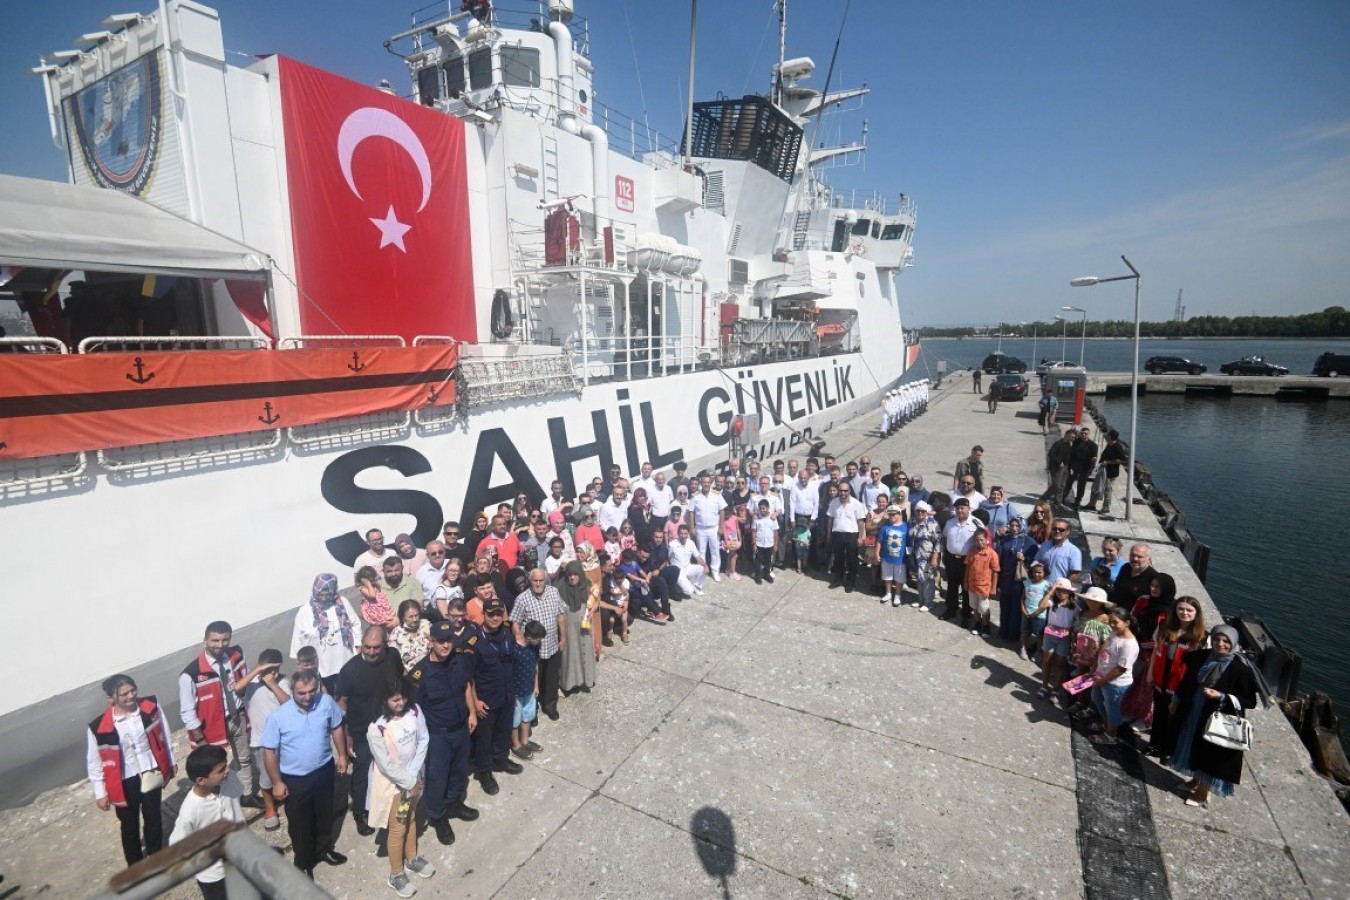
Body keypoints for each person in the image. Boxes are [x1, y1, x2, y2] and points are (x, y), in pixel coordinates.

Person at [260, 669, 349, 877]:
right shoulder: (278, 717)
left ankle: (324, 849)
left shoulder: (325, 702)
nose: (308, 697)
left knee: (324, 814)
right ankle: (303, 862)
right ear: (292, 691)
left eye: (311, 691)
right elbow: (269, 752)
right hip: (295, 779)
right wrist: (276, 783)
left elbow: (336, 726)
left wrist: (342, 755)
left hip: (324, 771)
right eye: (302, 693)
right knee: (300, 823)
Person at [87, 674, 177, 866]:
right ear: (111, 698)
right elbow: (94, 762)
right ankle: (135, 866)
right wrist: (100, 793)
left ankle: (156, 854)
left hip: (150, 770)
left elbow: (165, 733)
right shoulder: (97, 727)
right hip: (123, 780)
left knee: (153, 817)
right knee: (129, 825)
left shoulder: (150, 706)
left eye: (133, 690)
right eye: (124, 694)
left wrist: (171, 760)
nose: (131, 696)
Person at [1167, 624, 1260, 807]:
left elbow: (1250, 701)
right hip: (1195, 709)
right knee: (1192, 744)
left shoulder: (1240, 669)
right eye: (1217, 639)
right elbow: (1187, 681)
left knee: (1209, 752)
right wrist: (1176, 700)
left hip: (1217, 715)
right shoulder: (1203, 657)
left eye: (1226, 641)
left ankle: (1203, 793)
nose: (1220, 644)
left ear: (1233, 643)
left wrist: (1222, 696)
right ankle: (1195, 781)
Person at [407, 619, 478, 847]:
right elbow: (413, 712)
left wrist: (473, 713)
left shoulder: (459, 659)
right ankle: (438, 817)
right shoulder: (420, 674)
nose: (446, 646)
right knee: (437, 779)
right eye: (440, 641)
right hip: (437, 736)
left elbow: (467, 686)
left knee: (459, 772)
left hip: (461, 729)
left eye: (448, 640)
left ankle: (455, 803)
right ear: (431, 642)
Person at [179, 620, 262, 806]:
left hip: (237, 717)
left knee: (244, 758)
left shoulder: (236, 656)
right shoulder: (191, 674)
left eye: (225, 640)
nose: (220, 645)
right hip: (212, 727)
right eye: (215, 640)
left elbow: (245, 679)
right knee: (212, 769)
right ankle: (217, 802)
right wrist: (201, 741)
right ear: (205, 640)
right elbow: (187, 712)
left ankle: (247, 795)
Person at [367, 682, 434, 898]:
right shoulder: (377, 729)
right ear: (384, 701)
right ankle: (396, 873)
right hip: (396, 788)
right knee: (397, 828)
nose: (401, 702)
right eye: (395, 699)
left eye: (403, 697)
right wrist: (408, 782)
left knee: (412, 818)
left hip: (415, 779)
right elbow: (386, 765)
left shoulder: (415, 711)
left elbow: (424, 739)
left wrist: (414, 775)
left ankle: (412, 858)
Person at [337, 625, 406, 837]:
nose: (372, 652)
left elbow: (402, 677)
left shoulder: (392, 655)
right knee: (362, 775)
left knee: (395, 766)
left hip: (391, 724)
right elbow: (341, 704)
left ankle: (392, 804)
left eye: (376, 647)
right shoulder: (349, 670)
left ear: (385, 645)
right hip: (363, 732)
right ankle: (360, 813)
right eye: (367, 647)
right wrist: (346, 736)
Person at [168, 746, 246, 900]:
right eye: (221, 770)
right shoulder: (191, 809)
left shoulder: (231, 780)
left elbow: (237, 799)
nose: (227, 771)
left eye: (226, 765)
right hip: (215, 875)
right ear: (201, 780)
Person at [470, 598, 525, 796]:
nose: (495, 618)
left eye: (498, 614)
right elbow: (470, 676)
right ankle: (484, 771)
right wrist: (475, 702)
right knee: (484, 738)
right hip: (486, 698)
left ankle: (501, 758)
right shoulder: (474, 641)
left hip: (507, 693)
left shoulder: (507, 632)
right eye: (491, 614)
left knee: (503, 730)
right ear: (483, 615)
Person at [1148, 596, 1207, 760]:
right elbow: (1156, 651)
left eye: (1189, 610)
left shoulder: (1202, 638)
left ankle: (1168, 751)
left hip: (1182, 683)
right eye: (1181, 609)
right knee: (1159, 714)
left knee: (1175, 718)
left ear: (1196, 613)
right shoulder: (1164, 627)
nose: (1184, 613)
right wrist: (1150, 673)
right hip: (1161, 676)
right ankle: (1154, 745)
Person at [512, 569, 568, 720]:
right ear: (530, 581)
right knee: (532, 679)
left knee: (551, 678)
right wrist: (520, 642)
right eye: (535, 580)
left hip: (551, 645)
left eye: (541, 580)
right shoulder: (522, 599)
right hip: (532, 649)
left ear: (545, 580)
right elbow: (515, 623)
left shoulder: (554, 592)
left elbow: (561, 616)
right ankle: (533, 711)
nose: (538, 583)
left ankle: (550, 706)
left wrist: (563, 638)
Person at [243, 649, 289, 832]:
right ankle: (270, 809)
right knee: (266, 778)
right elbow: (236, 688)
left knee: (285, 771)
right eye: (269, 670)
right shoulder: (251, 684)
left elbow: (288, 703)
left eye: (276, 669)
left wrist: (273, 684)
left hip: (284, 738)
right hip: (261, 741)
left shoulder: (283, 681)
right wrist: (257, 672)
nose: (273, 673)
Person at [291, 574, 360, 693]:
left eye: (327, 594)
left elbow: (355, 623)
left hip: (346, 661)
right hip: (321, 668)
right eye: (320, 594)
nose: (323, 598)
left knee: (351, 696)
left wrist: (358, 645)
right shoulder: (304, 612)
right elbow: (298, 642)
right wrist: (302, 666)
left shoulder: (342, 602)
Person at [1087, 609, 1139, 746]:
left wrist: (1102, 680)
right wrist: (1095, 665)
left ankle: (1110, 735)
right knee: (1097, 699)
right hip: (1101, 676)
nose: (1112, 625)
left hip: (1115, 683)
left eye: (1115, 622)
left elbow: (1121, 669)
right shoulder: (1115, 632)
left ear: (1127, 623)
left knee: (1112, 709)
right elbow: (1105, 645)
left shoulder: (1129, 645)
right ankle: (1106, 725)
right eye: (1110, 622)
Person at [995, 517, 1039, 642]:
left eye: (1017, 526)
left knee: (1016, 608)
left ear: (1022, 526)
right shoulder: (1006, 538)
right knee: (1004, 606)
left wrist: (1025, 558)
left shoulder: (1029, 541)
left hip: (1019, 580)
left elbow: (1035, 562)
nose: (1014, 528)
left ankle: (1013, 634)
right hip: (1006, 578)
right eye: (1012, 525)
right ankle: (1003, 630)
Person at [557, 560, 598, 692]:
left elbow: (597, 597)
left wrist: (596, 605)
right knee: (570, 656)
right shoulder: (559, 588)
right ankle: (569, 684)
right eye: (570, 574)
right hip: (568, 631)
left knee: (585, 653)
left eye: (575, 574)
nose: (572, 577)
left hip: (584, 630)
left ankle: (585, 681)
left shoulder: (587, 585)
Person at [1037, 579, 1078, 704]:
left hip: (1064, 637)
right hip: (1050, 635)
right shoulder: (1052, 602)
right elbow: (1041, 605)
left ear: (1070, 592)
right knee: (1047, 661)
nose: (1061, 593)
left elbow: (1076, 623)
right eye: (1059, 590)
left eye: (1064, 591)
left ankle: (1056, 690)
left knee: (1060, 664)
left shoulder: (1075, 607)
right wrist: (1051, 591)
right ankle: (1044, 686)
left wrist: (1070, 631)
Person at [512, 621, 547, 760]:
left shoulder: (534, 647)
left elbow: (535, 666)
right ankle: (516, 745)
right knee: (514, 720)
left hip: (530, 689)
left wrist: (536, 685)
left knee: (527, 715)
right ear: (529, 637)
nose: (540, 641)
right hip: (516, 692)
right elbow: (508, 673)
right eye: (538, 638)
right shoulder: (514, 649)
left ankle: (525, 740)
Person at [941, 497, 979, 619]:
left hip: (967, 561)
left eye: (962, 508)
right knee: (952, 586)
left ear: (969, 509)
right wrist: (945, 555)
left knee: (966, 588)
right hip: (951, 559)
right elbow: (945, 538)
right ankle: (951, 610)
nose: (960, 510)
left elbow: (983, 541)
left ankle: (966, 614)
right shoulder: (950, 522)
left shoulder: (976, 524)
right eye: (957, 508)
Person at [963, 527, 1000, 635]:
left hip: (984, 586)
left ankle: (986, 626)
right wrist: (965, 581)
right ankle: (977, 623)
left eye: (981, 540)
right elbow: (968, 567)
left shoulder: (992, 554)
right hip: (972, 584)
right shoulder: (972, 551)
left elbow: (995, 571)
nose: (979, 542)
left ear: (987, 540)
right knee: (974, 606)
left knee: (984, 608)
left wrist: (993, 588)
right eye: (977, 540)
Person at [691, 475, 728, 581]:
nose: (706, 484)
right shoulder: (695, 496)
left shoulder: (716, 495)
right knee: (701, 551)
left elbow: (722, 511)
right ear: (701, 484)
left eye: (708, 482)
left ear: (710, 483)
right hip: (700, 528)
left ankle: (715, 571)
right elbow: (691, 512)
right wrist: (692, 527)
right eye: (704, 482)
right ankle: (702, 570)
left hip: (713, 528)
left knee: (715, 550)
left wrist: (721, 526)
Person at [907, 501, 941, 610]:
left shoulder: (933, 523)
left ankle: (928, 602)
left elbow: (938, 541)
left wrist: (935, 557)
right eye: (918, 510)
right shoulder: (912, 521)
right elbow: (909, 538)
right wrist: (909, 553)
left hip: (928, 555)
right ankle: (921, 600)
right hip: (915, 554)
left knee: (927, 578)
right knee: (919, 577)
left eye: (923, 511)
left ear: (927, 512)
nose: (920, 513)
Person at [877, 505, 909, 608]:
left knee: (899, 578)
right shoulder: (885, 527)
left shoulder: (906, 526)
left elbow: (909, 541)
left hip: (900, 558)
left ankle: (898, 595)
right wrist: (877, 553)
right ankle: (888, 593)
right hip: (886, 556)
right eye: (890, 514)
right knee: (887, 576)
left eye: (894, 514)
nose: (891, 516)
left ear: (899, 514)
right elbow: (879, 541)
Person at [1019, 561, 1052, 661]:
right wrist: (1023, 609)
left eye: (1039, 572)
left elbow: (1047, 601)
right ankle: (1023, 648)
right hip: (1027, 613)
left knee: (1039, 635)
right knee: (1025, 631)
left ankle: (1038, 652)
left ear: (1045, 573)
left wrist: (1036, 612)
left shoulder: (1047, 585)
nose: (1037, 574)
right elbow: (1022, 598)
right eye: (1034, 572)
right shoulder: (1027, 583)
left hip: (1039, 614)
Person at [1090, 429, 1128, 515]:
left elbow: (1123, 460)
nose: (1106, 436)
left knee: (1107, 490)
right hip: (1103, 470)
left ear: (1111, 437)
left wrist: (1109, 462)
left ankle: (1106, 508)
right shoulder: (1109, 444)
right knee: (1097, 487)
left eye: (1108, 435)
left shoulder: (1117, 447)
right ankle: (1092, 504)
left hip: (1111, 473)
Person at [1111, 544, 1157, 609]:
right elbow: (1117, 588)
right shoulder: (1126, 567)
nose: (1135, 559)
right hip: (1114, 610)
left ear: (1148, 559)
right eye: (1132, 555)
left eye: (1139, 557)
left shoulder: (1153, 577)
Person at [668, 523, 709, 596]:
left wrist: (705, 566)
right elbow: (667, 558)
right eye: (681, 533)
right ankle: (677, 585)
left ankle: (697, 586)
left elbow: (698, 557)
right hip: (678, 571)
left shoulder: (691, 543)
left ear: (688, 534)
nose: (683, 536)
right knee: (689, 591)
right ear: (678, 533)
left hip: (687, 568)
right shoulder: (672, 544)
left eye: (685, 534)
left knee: (703, 568)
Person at [390, 600, 433, 669]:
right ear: (403, 618)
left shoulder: (426, 625)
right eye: (411, 617)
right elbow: (392, 657)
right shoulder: (396, 633)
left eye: (417, 615)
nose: (415, 619)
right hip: (409, 673)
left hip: (431, 668)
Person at [1067, 426, 1099, 508]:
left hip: (1085, 468)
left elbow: (1094, 458)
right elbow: (1071, 454)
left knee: (1081, 485)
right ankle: (1063, 497)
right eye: (1082, 433)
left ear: (1089, 434)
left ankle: (1077, 500)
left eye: (1085, 434)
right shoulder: (1076, 441)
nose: (1083, 435)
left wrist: (1091, 469)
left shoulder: (1093, 445)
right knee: (1069, 482)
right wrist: (1070, 466)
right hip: (1074, 466)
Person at [751, 498, 779, 585]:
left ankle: (767, 574)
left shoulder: (773, 518)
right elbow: (753, 532)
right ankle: (758, 576)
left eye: (764, 508)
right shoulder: (756, 518)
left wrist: (776, 545)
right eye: (760, 508)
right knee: (758, 560)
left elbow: (775, 533)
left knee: (768, 560)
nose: (762, 510)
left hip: (769, 544)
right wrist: (754, 544)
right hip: (759, 544)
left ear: (768, 508)